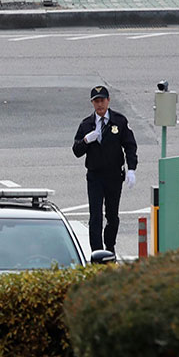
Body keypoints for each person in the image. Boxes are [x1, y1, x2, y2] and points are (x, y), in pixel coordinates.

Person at [72, 85, 138, 254]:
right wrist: (86, 140)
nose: (99, 105)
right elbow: (76, 151)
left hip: (114, 176)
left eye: (102, 101)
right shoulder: (86, 124)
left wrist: (131, 169)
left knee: (112, 216)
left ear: (108, 101)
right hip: (95, 176)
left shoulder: (119, 121)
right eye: (96, 101)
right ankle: (96, 252)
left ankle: (109, 247)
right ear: (92, 103)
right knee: (95, 217)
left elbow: (130, 146)